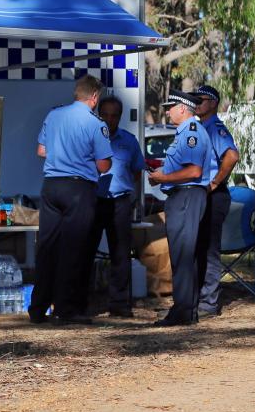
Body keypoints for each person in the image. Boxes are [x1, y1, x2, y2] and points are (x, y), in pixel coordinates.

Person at [30, 75, 113, 326]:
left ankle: (38, 307)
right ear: (95, 97)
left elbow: (41, 151)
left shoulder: (54, 115)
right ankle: (65, 308)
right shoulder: (95, 123)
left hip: (52, 186)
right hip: (79, 188)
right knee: (74, 249)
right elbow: (104, 164)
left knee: (47, 247)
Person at [147, 91, 213, 326]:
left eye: (171, 106)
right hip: (185, 195)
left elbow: (194, 171)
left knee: (182, 256)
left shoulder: (191, 133)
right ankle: (187, 309)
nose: (167, 111)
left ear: (183, 109)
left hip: (186, 195)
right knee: (185, 255)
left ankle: (183, 310)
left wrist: (164, 177)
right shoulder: (186, 133)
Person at [92, 96, 145, 318]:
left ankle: (119, 303)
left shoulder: (129, 141)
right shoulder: (90, 138)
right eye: (104, 114)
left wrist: (128, 193)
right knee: (86, 252)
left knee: (121, 254)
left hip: (120, 202)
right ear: (98, 114)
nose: (109, 119)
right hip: (94, 201)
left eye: (114, 115)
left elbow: (137, 170)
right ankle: (82, 302)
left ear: (120, 117)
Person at [194, 85, 240, 318]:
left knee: (209, 250)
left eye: (200, 99)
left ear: (213, 103)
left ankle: (209, 303)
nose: (196, 103)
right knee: (198, 247)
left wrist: (214, 183)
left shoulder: (215, 129)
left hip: (214, 196)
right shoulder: (200, 127)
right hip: (202, 196)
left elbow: (232, 156)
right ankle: (198, 298)